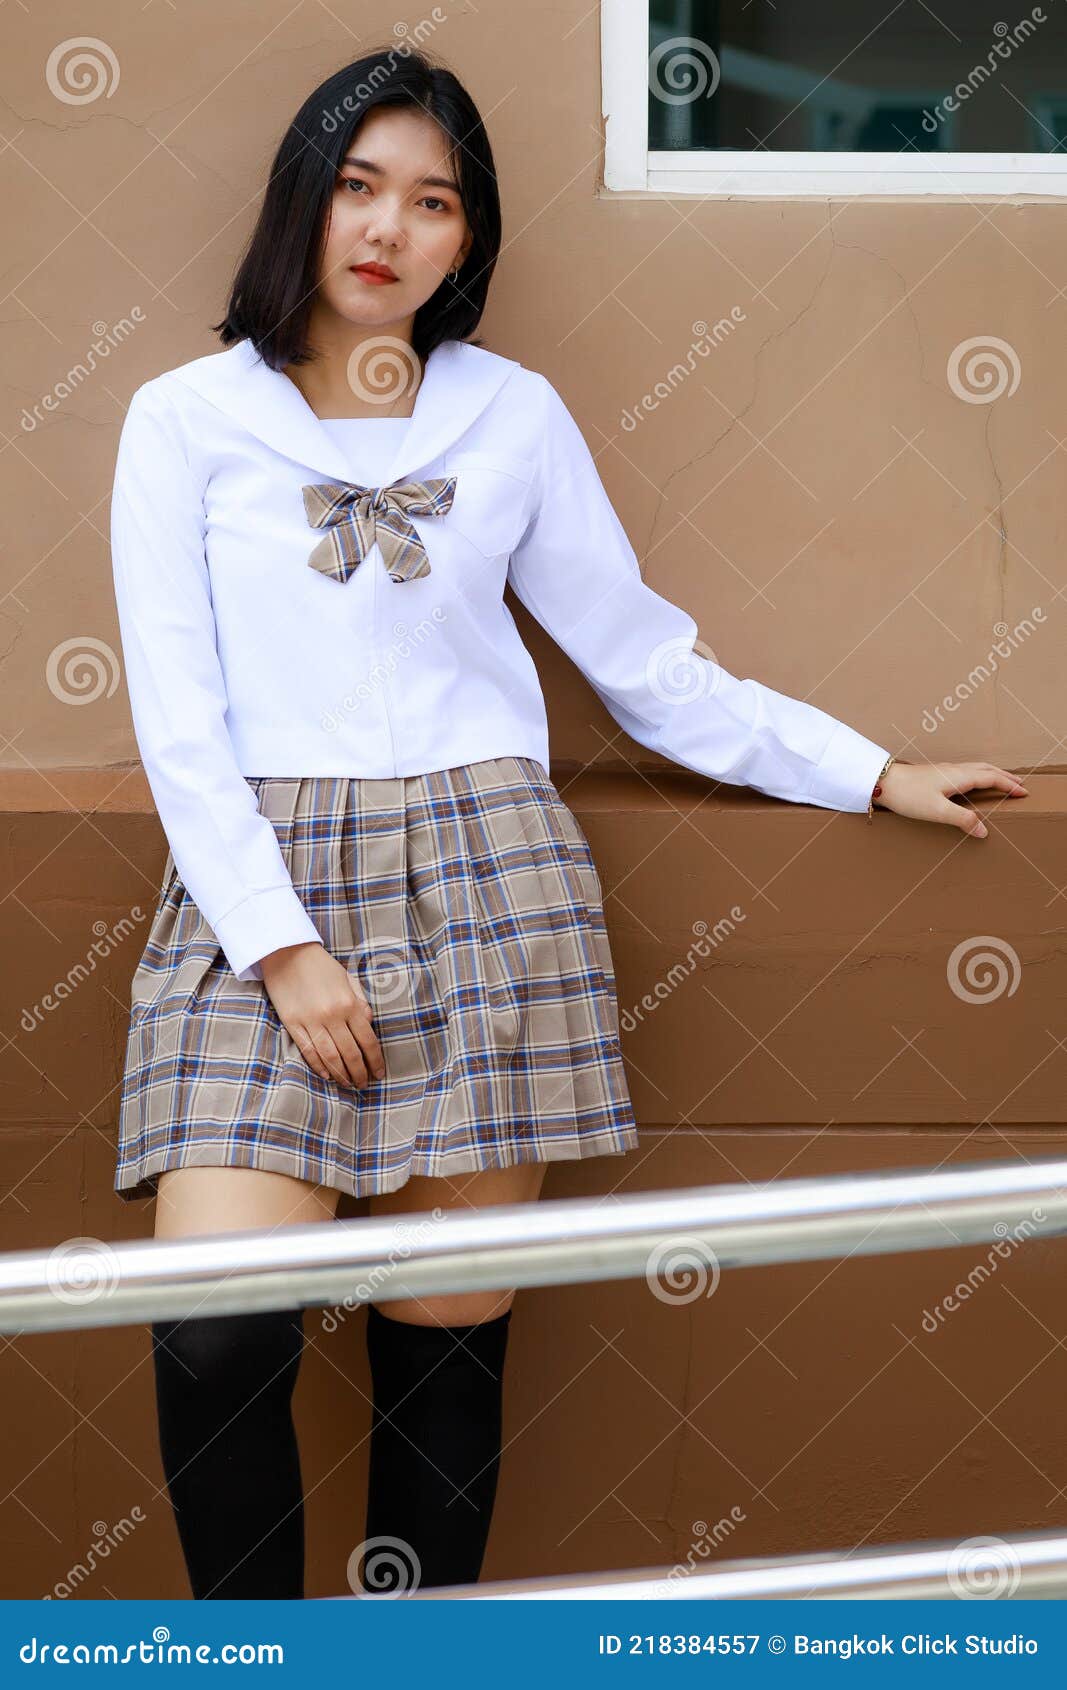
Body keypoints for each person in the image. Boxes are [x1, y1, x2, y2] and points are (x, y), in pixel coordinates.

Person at [108, 44, 1028, 1601]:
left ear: (471, 242)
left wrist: (866, 768)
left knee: (446, 1348)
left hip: (489, 877)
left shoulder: (510, 415)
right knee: (216, 1328)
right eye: (357, 185)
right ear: (302, 199)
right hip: (260, 890)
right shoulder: (185, 418)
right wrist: (280, 948)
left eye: (435, 201)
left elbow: (648, 663)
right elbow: (176, 720)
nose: (389, 227)